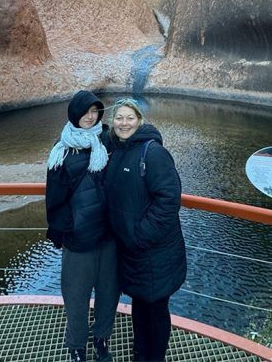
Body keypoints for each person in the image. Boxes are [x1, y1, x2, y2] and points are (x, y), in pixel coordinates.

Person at [104, 99, 186, 362]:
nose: (124, 123)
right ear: (112, 122)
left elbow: (169, 199)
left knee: (156, 308)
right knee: (140, 305)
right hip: (132, 250)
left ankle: (155, 357)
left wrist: (141, 235)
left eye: (129, 118)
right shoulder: (116, 150)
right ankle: (140, 353)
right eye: (119, 118)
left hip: (154, 250)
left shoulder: (152, 153)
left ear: (139, 120)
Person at [45, 90, 120, 362]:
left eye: (95, 111)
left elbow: (136, 143)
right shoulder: (62, 149)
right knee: (76, 297)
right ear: (74, 114)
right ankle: (77, 346)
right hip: (79, 240)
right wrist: (69, 229)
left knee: (109, 294)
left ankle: (101, 339)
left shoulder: (109, 141)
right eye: (85, 111)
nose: (90, 116)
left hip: (109, 236)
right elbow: (54, 198)